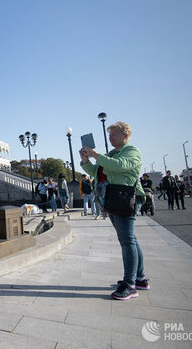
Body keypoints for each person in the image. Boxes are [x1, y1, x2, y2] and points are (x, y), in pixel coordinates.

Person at [80, 121, 148, 300]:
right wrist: (86, 160)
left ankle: (130, 284)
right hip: (113, 198)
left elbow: (119, 166)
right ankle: (139, 278)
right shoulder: (112, 153)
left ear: (125, 135)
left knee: (127, 241)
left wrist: (96, 155)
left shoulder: (132, 151)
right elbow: (97, 172)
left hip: (125, 198)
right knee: (129, 239)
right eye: (109, 135)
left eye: (114, 135)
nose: (110, 138)